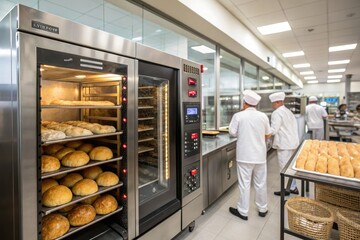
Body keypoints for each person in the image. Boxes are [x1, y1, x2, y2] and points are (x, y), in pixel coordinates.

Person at [228, 90, 271, 220]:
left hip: (244, 155)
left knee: (244, 184)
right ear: (255, 105)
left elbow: (232, 132)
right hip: (260, 156)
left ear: (244, 103)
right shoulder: (263, 116)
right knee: (261, 182)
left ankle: (243, 211)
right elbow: (268, 134)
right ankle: (263, 208)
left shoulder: (239, 116)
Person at [268, 92, 299, 196]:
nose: (272, 105)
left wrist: (263, 131)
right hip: (292, 143)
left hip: (284, 144)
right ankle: (293, 187)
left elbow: (273, 130)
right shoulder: (288, 111)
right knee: (290, 167)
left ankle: (286, 190)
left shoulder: (277, 113)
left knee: (284, 167)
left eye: (272, 103)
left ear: (277, 102)